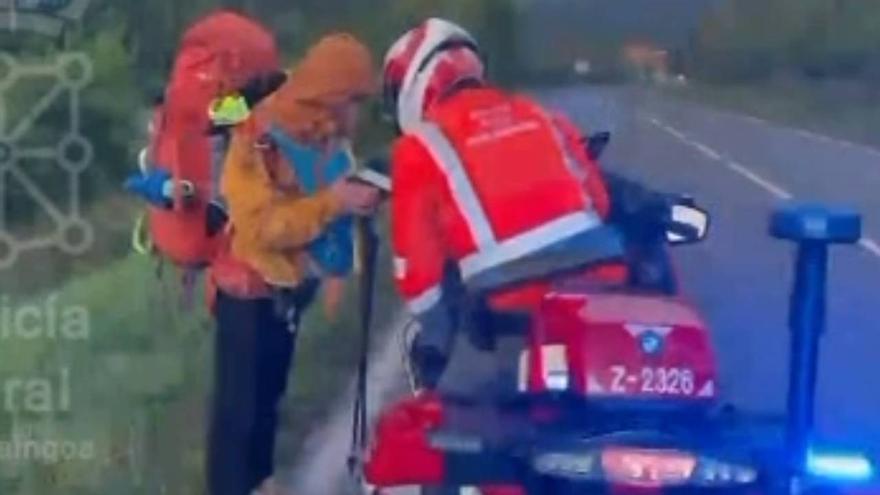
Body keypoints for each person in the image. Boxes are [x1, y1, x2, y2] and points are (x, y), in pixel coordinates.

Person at [382, 18, 627, 389]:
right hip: (599, 280)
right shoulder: (543, 115)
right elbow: (600, 201)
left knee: (464, 413)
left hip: (508, 304)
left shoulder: (418, 147)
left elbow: (419, 277)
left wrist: (434, 338)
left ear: (413, 84)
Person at [208, 33, 381, 495]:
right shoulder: (255, 139)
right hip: (248, 291)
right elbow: (262, 226)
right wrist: (334, 203)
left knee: (266, 408)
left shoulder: (328, 141)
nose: (357, 114)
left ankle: (261, 485)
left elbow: (332, 204)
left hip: (287, 293)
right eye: (352, 100)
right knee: (238, 420)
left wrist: (354, 208)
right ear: (329, 94)